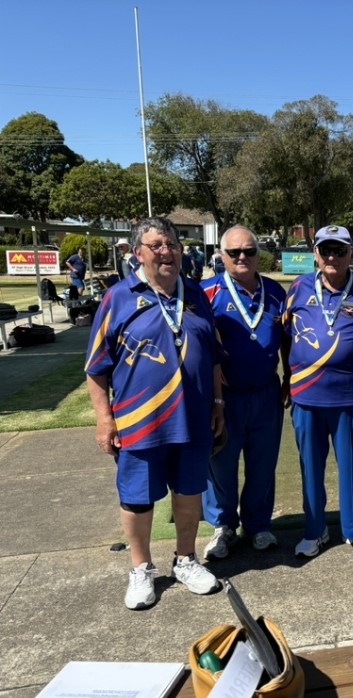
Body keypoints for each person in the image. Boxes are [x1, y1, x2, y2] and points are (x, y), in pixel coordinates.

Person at [85, 217, 222, 610]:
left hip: (193, 418)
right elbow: (96, 367)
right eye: (157, 244)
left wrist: (217, 404)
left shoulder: (196, 294)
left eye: (173, 244)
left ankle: (185, 560)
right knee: (137, 500)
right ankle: (141, 568)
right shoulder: (119, 297)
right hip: (139, 421)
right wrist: (104, 419)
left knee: (189, 493)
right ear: (138, 252)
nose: (167, 251)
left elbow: (212, 357)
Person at [282, 224, 353, 556]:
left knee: (352, 467)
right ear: (315, 254)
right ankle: (314, 531)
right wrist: (289, 379)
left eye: (340, 250)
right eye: (326, 250)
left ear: (352, 254)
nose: (332, 256)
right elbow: (285, 339)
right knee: (310, 468)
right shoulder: (297, 289)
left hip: (349, 399)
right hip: (306, 398)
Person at [201, 226, 288, 560]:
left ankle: (258, 524)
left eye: (249, 251)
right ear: (222, 256)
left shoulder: (276, 292)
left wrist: (289, 377)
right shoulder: (206, 292)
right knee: (221, 464)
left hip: (266, 393)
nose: (242, 257)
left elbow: (287, 339)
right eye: (234, 252)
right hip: (225, 396)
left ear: (258, 254)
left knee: (263, 463)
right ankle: (223, 526)